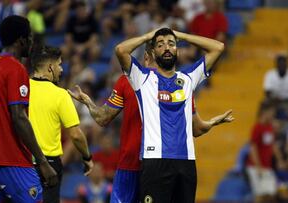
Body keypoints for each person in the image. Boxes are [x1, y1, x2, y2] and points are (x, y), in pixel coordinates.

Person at [69, 38, 229, 202]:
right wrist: (211, 123)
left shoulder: (127, 81)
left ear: (146, 56)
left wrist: (89, 103)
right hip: (164, 165)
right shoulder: (181, 86)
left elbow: (102, 118)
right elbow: (197, 129)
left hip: (130, 164)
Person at [114, 27, 224, 202]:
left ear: (177, 51)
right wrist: (148, 36)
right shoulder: (142, 79)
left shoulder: (188, 78)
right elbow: (121, 50)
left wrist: (181, 35)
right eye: (160, 44)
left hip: (186, 162)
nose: (166, 47)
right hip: (154, 161)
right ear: (153, 52)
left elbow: (217, 47)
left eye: (171, 44)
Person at [0, 15, 57, 203]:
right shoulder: (16, 69)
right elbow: (19, 118)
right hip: (13, 160)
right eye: (30, 37)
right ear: (21, 39)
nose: (31, 42)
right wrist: (43, 162)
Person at [28, 45, 94, 203]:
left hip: (22, 163)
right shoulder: (60, 95)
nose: (61, 69)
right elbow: (76, 135)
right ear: (50, 67)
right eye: (59, 64)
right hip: (49, 164)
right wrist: (87, 157)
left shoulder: (21, 90)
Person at [246, 101, 278, 203]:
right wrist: (258, 166)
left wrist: (280, 159)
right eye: (272, 112)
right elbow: (253, 148)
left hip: (267, 167)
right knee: (260, 196)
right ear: (265, 112)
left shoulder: (270, 127)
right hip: (256, 167)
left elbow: (272, 145)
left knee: (270, 195)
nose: (273, 115)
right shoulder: (257, 128)